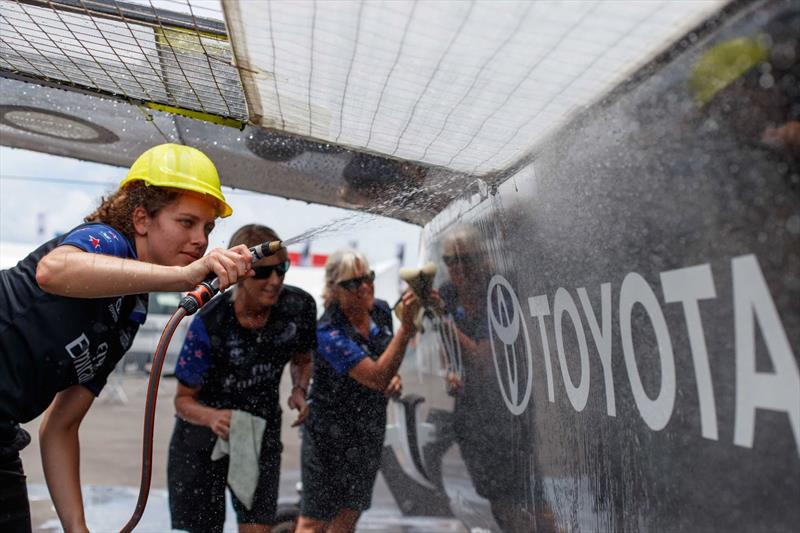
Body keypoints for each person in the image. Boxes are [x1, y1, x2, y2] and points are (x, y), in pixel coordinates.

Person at [0, 143, 252, 532]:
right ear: (141, 218)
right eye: (187, 222)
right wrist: (184, 277)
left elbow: (61, 425)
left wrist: (77, 527)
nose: (201, 239)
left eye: (208, 228)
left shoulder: (131, 311)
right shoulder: (105, 241)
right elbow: (52, 270)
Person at [167, 224, 317, 533]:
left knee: (257, 529)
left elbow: (303, 359)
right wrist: (212, 416)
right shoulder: (210, 322)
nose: (275, 281)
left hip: (260, 433)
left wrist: (300, 389)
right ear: (240, 274)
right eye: (263, 273)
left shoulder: (298, 308)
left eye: (282, 269)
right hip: (201, 441)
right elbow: (182, 401)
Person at [294, 249, 418, 533]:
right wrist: (407, 329)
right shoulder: (328, 333)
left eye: (368, 278)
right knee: (314, 521)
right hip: (329, 437)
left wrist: (394, 378)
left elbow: (385, 363)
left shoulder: (382, 312)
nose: (364, 287)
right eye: (353, 283)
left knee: (349, 516)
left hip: (367, 432)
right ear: (335, 290)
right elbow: (375, 376)